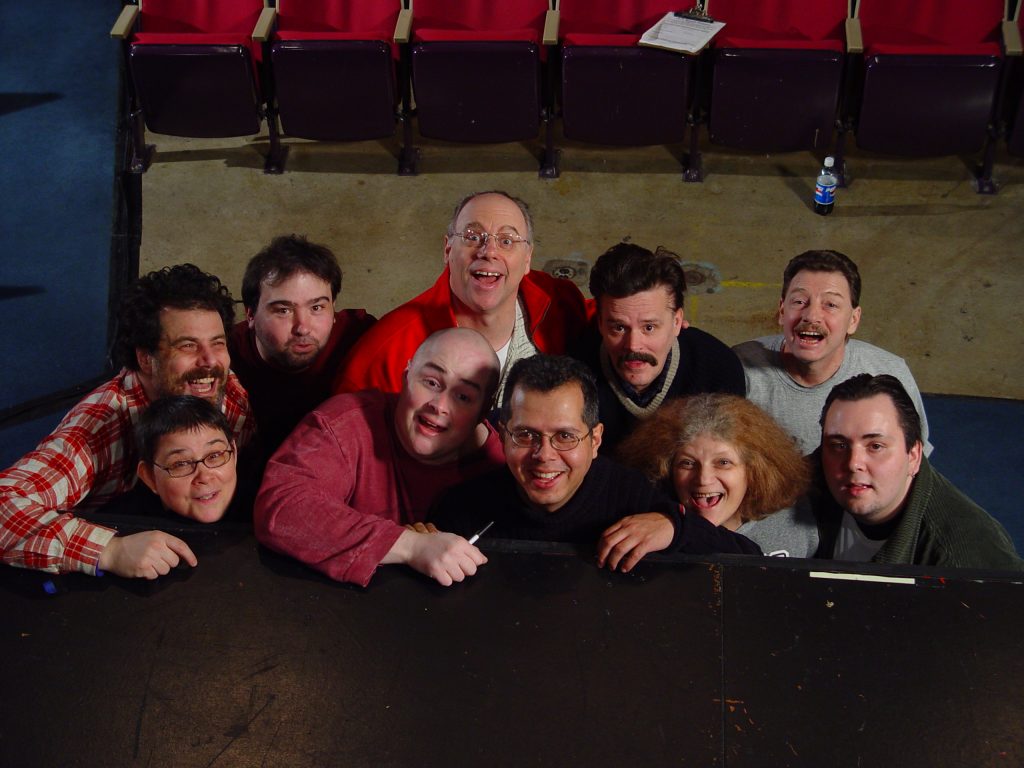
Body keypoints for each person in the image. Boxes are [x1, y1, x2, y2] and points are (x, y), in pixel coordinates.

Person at [0, 264, 253, 578]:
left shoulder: (228, 396)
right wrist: (110, 550)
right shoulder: (97, 427)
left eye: (217, 343)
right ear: (146, 359)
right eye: (187, 346)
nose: (210, 361)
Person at [431, 355, 760, 572]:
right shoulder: (461, 508)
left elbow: (753, 563)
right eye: (526, 435)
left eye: (565, 437)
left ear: (596, 440)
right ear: (502, 434)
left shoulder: (637, 498)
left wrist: (676, 529)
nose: (544, 455)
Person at [254, 328, 506, 587]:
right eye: (431, 382)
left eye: (463, 396)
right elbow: (281, 509)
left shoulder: (501, 465)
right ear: (406, 377)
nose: (440, 405)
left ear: (482, 412)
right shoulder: (345, 423)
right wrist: (410, 546)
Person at [334, 190, 590, 401]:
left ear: (527, 259)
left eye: (507, 240)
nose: (488, 251)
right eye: (472, 237)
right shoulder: (385, 353)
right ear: (447, 250)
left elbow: (615, 322)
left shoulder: (557, 301)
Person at [733, 250, 931, 456]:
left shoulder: (889, 373)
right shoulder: (738, 368)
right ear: (782, 311)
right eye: (799, 301)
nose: (811, 316)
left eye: (830, 304)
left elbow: (915, 463)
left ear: (853, 319)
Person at [813, 374, 1021, 569]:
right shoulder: (805, 484)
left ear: (914, 455)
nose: (853, 463)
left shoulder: (963, 555)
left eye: (875, 446)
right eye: (839, 445)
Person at [574, 243, 745, 451]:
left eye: (649, 327)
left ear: (677, 321)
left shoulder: (718, 370)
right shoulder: (575, 371)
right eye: (619, 327)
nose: (633, 345)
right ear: (600, 323)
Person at [618, 394, 818, 558]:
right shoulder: (647, 530)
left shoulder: (797, 525)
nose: (703, 479)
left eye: (723, 463)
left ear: (755, 469)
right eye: (687, 463)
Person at [229, 234, 376, 452]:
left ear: (333, 308)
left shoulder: (361, 336)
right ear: (250, 315)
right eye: (283, 310)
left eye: (317, 307)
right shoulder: (224, 356)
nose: (302, 327)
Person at [135, 395, 238, 524]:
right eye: (181, 464)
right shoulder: (124, 528)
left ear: (234, 453)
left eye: (215, 456)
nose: (204, 477)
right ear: (149, 477)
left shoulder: (262, 506)